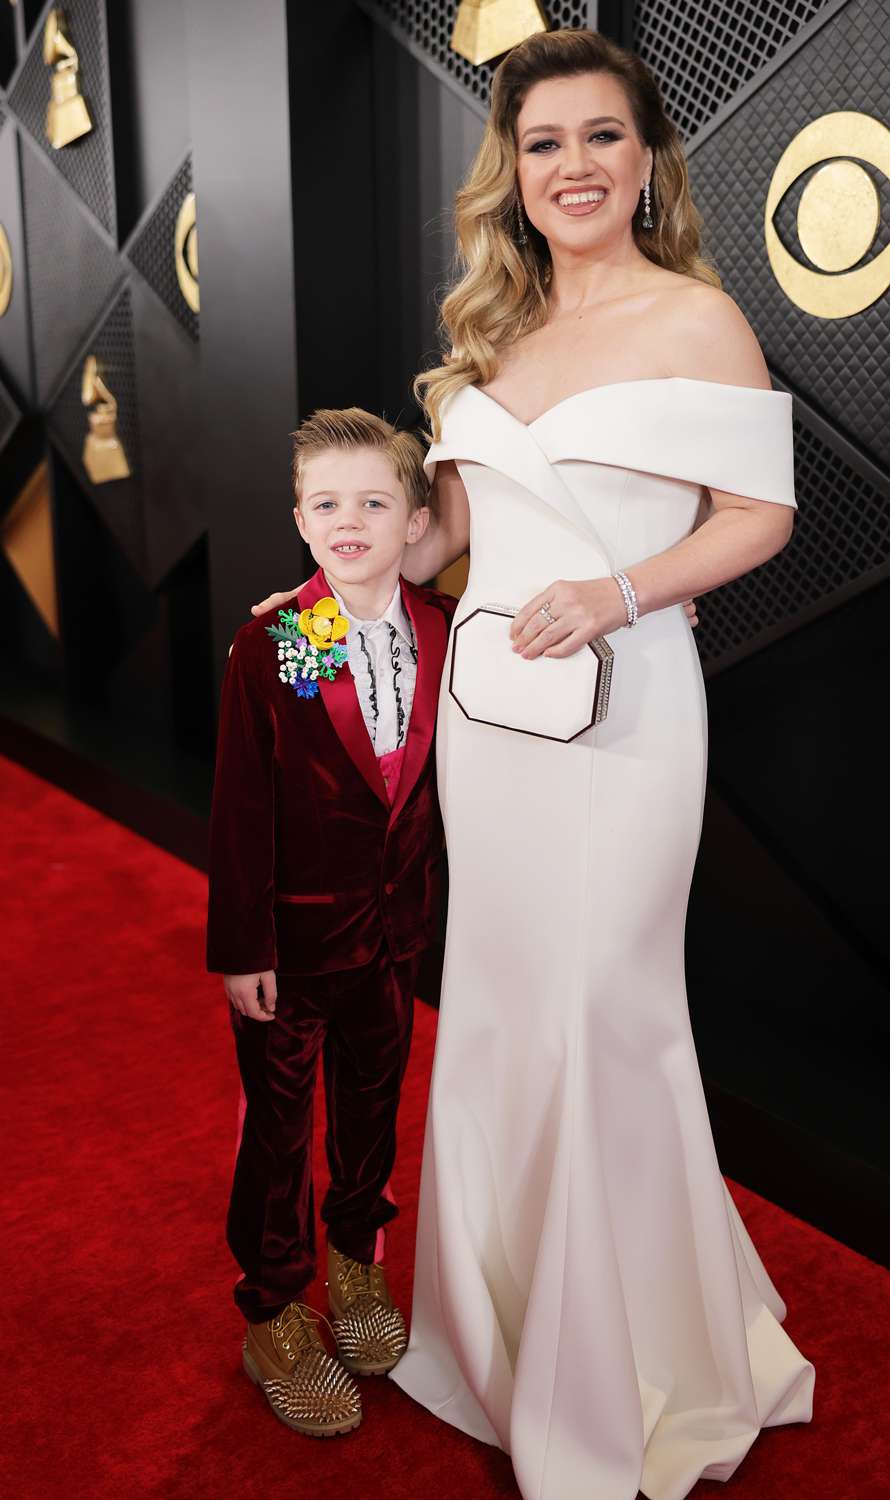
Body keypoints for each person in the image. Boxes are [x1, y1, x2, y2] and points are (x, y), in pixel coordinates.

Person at [256, 28, 814, 1499]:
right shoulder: (489, 331)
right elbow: (442, 547)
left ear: (646, 160)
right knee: (500, 1009)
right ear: (512, 168)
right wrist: (322, 608)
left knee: (599, 1010)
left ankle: (629, 1371)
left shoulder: (699, 318)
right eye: (546, 141)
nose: (574, 165)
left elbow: (762, 515)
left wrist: (619, 593)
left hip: (629, 719)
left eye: (602, 137)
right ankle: (500, 1347)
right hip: (491, 733)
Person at [209, 408, 456, 1437]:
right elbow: (240, 809)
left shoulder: (449, 628)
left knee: (371, 1105)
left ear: (415, 520)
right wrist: (241, 950)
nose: (348, 521)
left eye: (372, 502)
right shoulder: (273, 642)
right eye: (326, 504)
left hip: (394, 937)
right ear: (300, 520)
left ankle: (356, 1260)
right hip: (290, 949)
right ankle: (271, 1308)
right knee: (278, 1132)